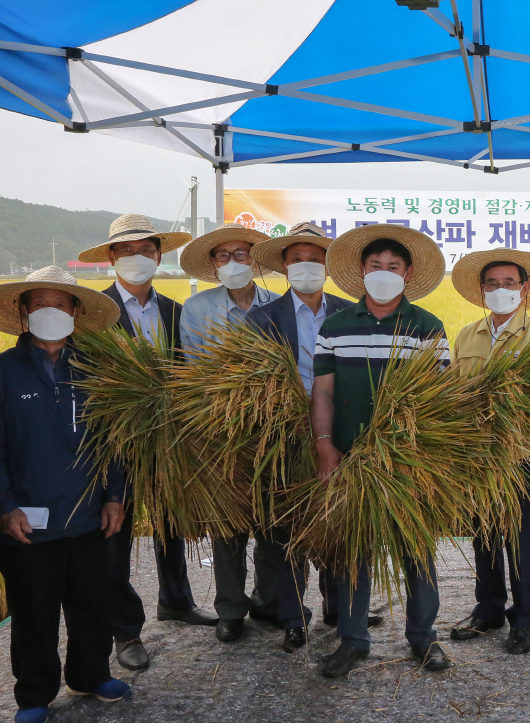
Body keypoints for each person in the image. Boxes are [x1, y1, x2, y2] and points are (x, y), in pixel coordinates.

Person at [0, 267, 129, 723]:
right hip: (23, 514)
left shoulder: (98, 369)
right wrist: (2, 506)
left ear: (76, 312)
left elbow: (115, 441)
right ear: (23, 312)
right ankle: (34, 696)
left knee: (91, 600)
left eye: (60, 304)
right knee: (33, 610)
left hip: (86, 510)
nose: (51, 311)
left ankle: (90, 674)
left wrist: (115, 496)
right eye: (40, 304)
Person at [77, 213, 217, 671]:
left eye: (146, 250)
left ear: (159, 255)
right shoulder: (93, 315)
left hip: (170, 437)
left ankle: (175, 599)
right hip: (113, 441)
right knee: (114, 532)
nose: (137, 258)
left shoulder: (177, 312)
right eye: (127, 250)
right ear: (112, 257)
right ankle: (126, 631)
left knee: (171, 521)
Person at [312, 224, 451, 678]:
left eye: (393, 267)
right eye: (376, 267)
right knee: (354, 548)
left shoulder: (426, 327)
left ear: (407, 274)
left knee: (416, 547)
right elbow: (323, 392)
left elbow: (439, 397)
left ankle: (424, 638)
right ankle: (353, 640)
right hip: (350, 456)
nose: (384, 274)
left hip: (409, 461)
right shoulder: (334, 327)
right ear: (361, 271)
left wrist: (424, 455)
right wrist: (325, 446)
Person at [246, 221, 367, 654]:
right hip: (282, 438)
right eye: (297, 259)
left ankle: (339, 606)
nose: (306, 267)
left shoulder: (351, 314)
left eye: (315, 259)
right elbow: (250, 386)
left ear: (329, 265)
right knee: (286, 531)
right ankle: (294, 617)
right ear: (283, 265)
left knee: (338, 522)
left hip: (340, 434)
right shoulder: (261, 320)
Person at [447, 248, 530, 655]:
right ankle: (489, 608)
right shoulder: (466, 336)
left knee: (524, 538)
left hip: (526, 454)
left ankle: (525, 618)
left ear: (524, 289)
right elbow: (454, 393)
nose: (500, 290)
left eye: (509, 284)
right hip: (480, 454)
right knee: (486, 534)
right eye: (492, 284)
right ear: (481, 291)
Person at [179, 222, 282, 643]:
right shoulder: (196, 308)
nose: (234, 262)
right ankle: (230, 608)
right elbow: (195, 370)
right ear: (213, 264)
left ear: (256, 261)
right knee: (228, 523)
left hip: (273, 430)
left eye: (243, 254)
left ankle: (270, 601)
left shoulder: (279, 305)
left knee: (274, 521)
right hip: (218, 431)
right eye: (225, 256)